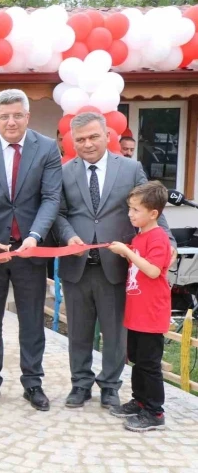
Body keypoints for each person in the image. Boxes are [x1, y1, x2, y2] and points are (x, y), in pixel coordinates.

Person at [53, 112, 175, 410]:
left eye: (93, 136)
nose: (88, 143)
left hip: (118, 267)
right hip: (77, 265)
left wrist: (168, 239)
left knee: (116, 333)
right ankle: (80, 384)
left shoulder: (131, 169)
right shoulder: (64, 172)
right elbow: (58, 213)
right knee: (78, 331)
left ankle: (110, 386)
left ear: (108, 135)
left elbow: (151, 206)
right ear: (73, 141)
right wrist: (68, 237)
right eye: (80, 139)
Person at [0, 89, 62, 411]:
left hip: (30, 250)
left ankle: (33, 383)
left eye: (17, 115)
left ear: (27, 116)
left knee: (32, 320)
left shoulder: (47, 148)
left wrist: (36, 235)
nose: (11, 121)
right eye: (4, 116)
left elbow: (51, 198)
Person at [107, 182, 171, 432]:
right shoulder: (140, 236)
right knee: (136, 360)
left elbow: (154, 271)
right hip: (136, 312)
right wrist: (128, 251)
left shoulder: (158, 237)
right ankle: (140, 401)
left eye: (136, 210)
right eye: (130, 209)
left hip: (151, 314)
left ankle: (155, 412)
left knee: (149, 364)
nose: (130, 214)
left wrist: (127, 252)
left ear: (153, 213)